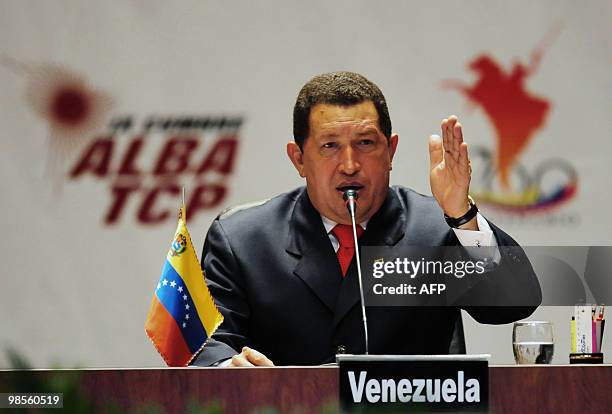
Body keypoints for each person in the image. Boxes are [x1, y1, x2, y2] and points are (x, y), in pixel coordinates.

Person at [192, 71, 541, 367]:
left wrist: (462, 214)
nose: (349, 164)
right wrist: (230, 367)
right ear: (298, 158)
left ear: (390, 151)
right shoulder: (242, 240)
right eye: (329, 146)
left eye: (365, 143)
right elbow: (205, 343)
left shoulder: (436, 228)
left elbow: (512, 302)